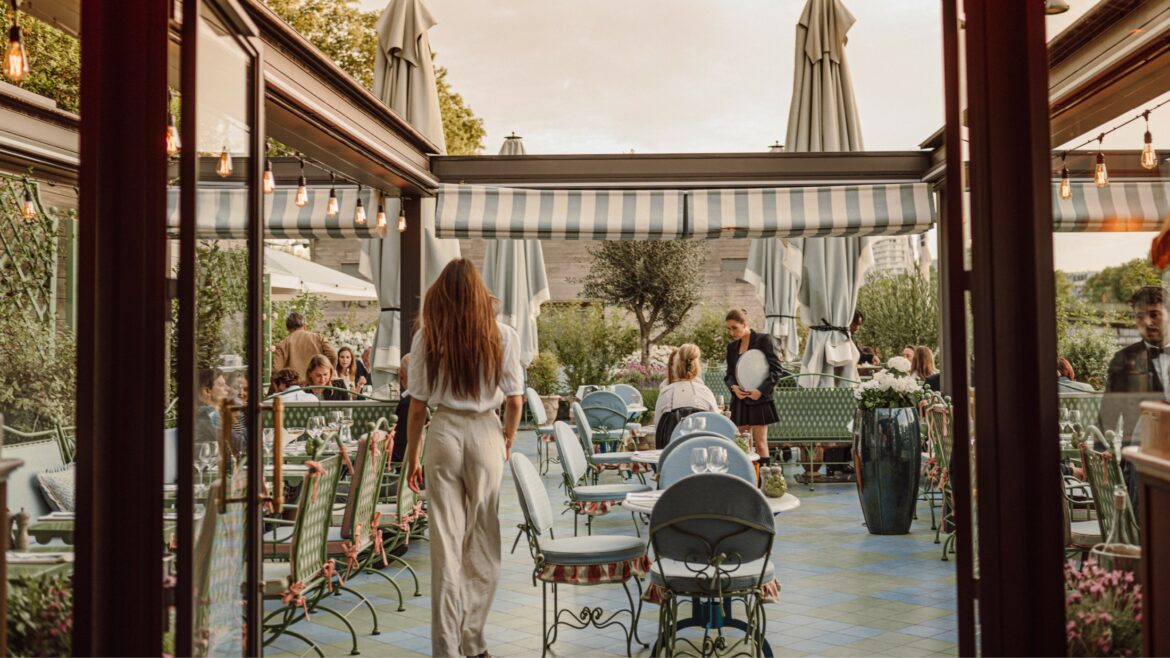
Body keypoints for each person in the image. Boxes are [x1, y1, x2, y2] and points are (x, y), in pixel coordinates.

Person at [403, 258, 524, 658]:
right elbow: (515, 400)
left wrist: (412, 456)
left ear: (441, 294)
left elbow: (417, 405)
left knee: (445, 544)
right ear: (479, 293)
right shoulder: (503, 335)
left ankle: (446, 649)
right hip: (485, 432)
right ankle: (473, 640)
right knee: (483, 543)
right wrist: (506, 439)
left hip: (443, 432)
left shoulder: (427, 338)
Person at [1102, 285, 1170, 515]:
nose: (1147, 322)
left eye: (1154, 314)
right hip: (1139, 464)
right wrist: (1103, 453)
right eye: (1140, 316)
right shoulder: (1123, 360)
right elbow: (1107, 417)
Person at [724, 309, 785, 460]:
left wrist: (761, 391)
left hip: (760, 399)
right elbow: (729, 375)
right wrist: (734, 387)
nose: (732, 333)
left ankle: (764, 481)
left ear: (744, 324)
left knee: (761, 444)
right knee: (742, 444)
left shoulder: (764, 340)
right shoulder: (731, 348)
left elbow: (777, 370)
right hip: (740, 400)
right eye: (729, 329)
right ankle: (747, 478)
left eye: (734, 328)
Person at [272, 312, 336, 378]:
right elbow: (333, 355)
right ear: (305, 326)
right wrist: (327, 373)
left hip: (295, 386)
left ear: (288, 328)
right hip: (317, 384)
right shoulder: (318, 338)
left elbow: (277, 370)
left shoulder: (282, 344)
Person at [196, 368, 230, 446]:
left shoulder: (213, 413)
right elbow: (230, 441)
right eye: (222, 385)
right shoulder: (207, 414)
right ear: (207, 391)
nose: (228, 388)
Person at [391, 354, 411, 463]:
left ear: (401, 376)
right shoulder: (429, 399)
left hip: (403, 461)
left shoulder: (407, 403)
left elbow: (400, 444)